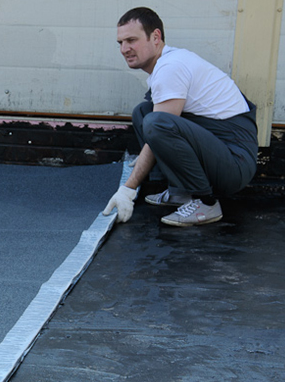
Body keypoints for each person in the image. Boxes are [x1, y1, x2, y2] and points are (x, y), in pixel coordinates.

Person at [103, 7, 258, 227]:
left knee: (155, 122)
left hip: (234, 164)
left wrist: (127, 189)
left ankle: (206, 202)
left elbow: (160, 127)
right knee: (143, 112)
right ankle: (180, 193)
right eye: (120, 43)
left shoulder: (171, 67)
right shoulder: (166, 64)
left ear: (155, 37)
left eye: (131, 40)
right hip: (220, 148)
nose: (124, 49)